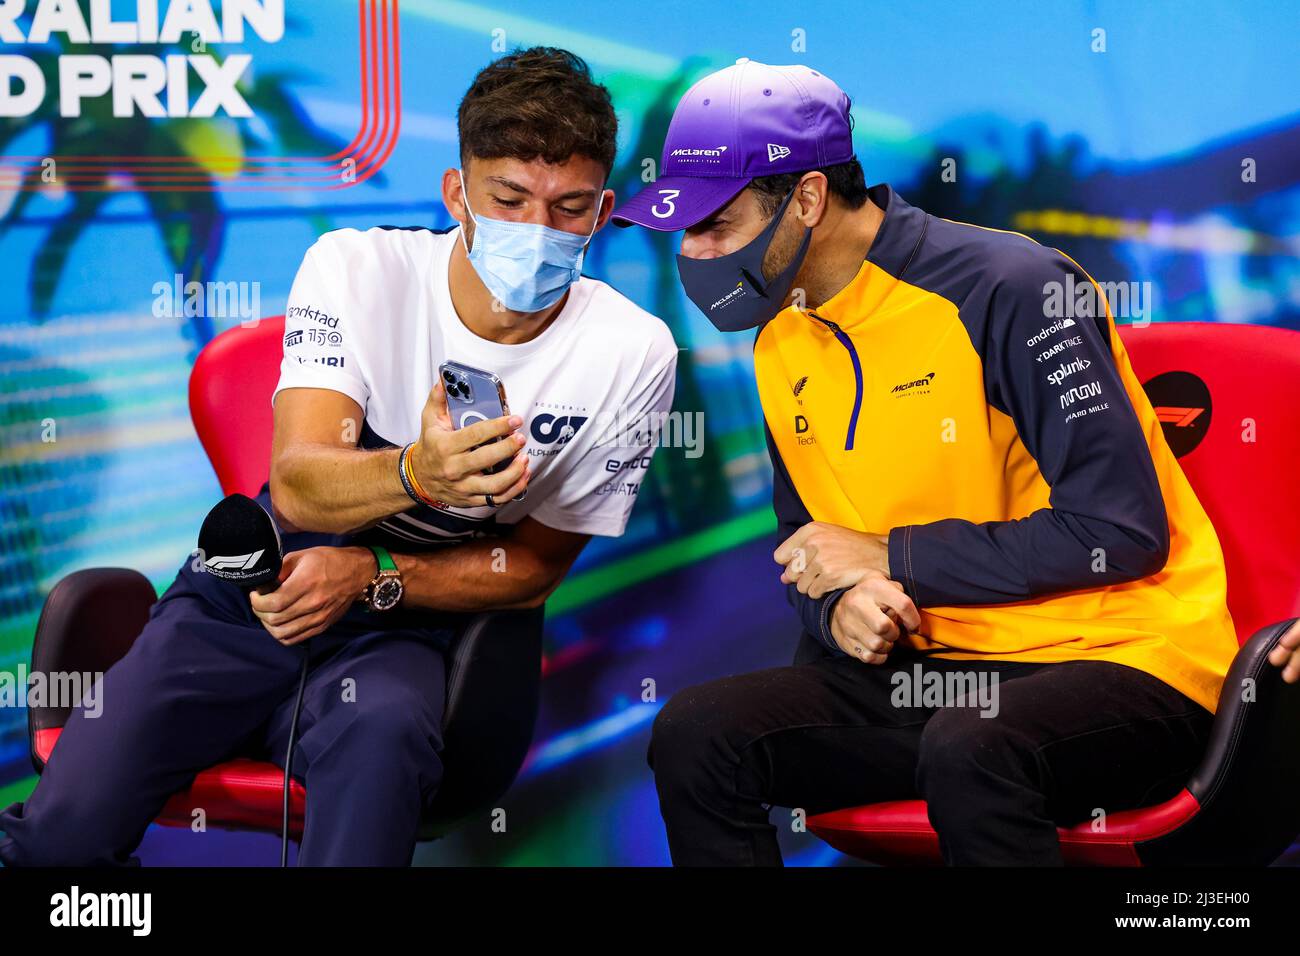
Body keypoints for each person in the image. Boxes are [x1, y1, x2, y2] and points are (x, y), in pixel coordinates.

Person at [0, 46, 677, 867]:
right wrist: (418, 474)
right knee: (56, 842)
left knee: (375, 760)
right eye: (509, 200)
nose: (537, 234)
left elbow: (533, 567)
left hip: (406, 626)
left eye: (569, 209)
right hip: (247, 596)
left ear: (603, 210)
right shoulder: (356, 268)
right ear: (457, 193)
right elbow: (299, 483)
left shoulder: (633, 351)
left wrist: (371, 577)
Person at [612, 58, 1239, 865]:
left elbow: (1120, 531)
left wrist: (888, 555)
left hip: (1124, 661)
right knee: (699, 735)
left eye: (713, 226)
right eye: (680, 231)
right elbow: (808, 548)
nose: (692, 254)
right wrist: (836, 608)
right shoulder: (779, 342)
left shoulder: (1011, 286)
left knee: (971, 748)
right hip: (937, 675)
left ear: (805, 198)